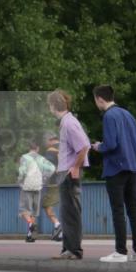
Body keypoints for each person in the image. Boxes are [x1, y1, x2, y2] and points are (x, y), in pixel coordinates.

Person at [90, 85, 136, 263]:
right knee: (134, 210)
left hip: (116, 168)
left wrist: (99, 146)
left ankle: (120, 251)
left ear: (99, 99)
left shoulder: (109, 116)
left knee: (118, 211)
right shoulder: (127, 114)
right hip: (133, 166)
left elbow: (111, 144)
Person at [48, 90, 89, 260]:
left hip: (68, 173)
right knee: (67, 212)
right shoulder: (67, 121)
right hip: (65, 171)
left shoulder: (68, 123)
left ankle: (73, 250)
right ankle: (68, 248)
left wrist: (75, 167)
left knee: (70, 212)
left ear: (53, 106)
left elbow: (84, 146)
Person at [17, 140, 55, 242]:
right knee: (33, 211)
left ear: (29, 148)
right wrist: (44, 178)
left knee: (24, 210)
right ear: (37, 148)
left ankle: (31, 225)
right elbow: (52, 168)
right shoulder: (41, 158)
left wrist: (20, 181)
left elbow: (22, 171)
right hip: (38, 186)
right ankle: (30, 235)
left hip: (27, 186)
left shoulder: (24, 157)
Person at [40, 132, 62, 241]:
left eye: (45, 141)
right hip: (67, 180)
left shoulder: (50, 151)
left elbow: (47, 169)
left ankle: (58, 226)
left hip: (53, 183)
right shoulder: (64, 147)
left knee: (46, 205)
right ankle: (61, 228)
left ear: (50, 140)